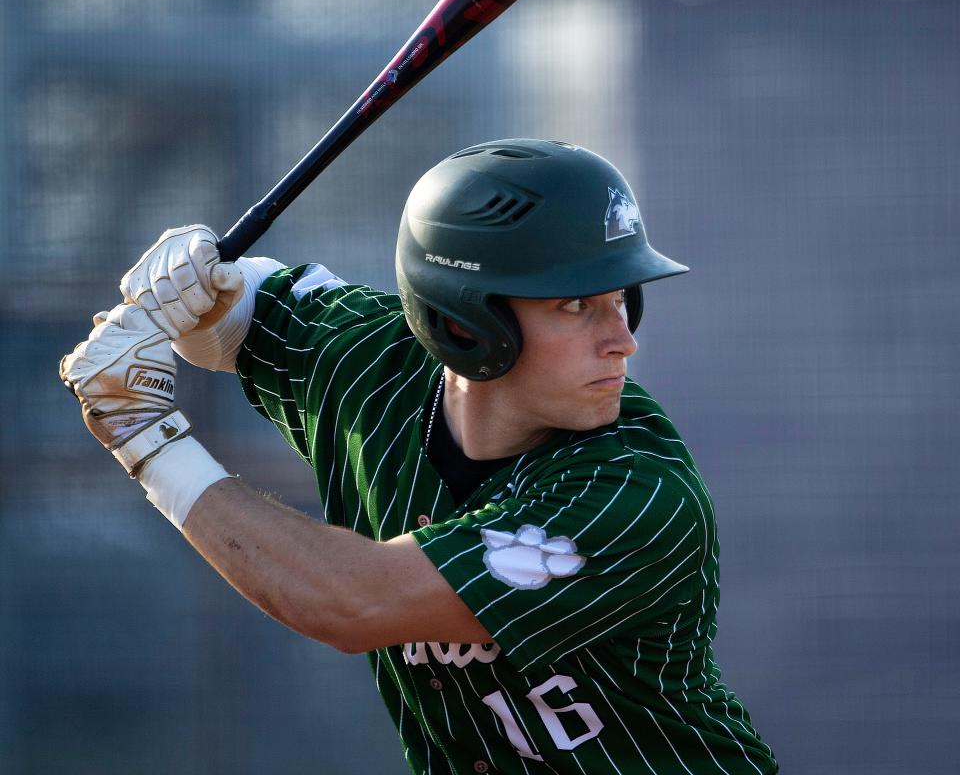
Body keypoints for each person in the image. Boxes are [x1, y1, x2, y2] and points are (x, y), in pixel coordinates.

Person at [61, 139, 778, 774]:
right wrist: (194, 287)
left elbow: (351, 600)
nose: (623, 339)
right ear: (466, 321)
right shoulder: (368, 361)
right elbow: (243, 311)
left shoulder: (638, 496)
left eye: (622, 298)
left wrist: (147, 437)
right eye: (575, 306)